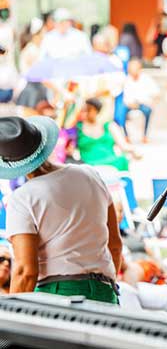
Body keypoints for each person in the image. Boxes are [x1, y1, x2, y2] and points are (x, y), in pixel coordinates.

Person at [1, 116, 122, 304]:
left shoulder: (22, 198)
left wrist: (11, 320)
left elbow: (26, 271)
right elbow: (115, 244)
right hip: (104, 290)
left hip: (57, 294)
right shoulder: (90, 174)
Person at [77, 98, 138, 171]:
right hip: (89, 164)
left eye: (89, 110)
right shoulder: (78, 127)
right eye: (84, 110)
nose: (85, 113)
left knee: (122, 161)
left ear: (96, 111)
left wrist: (134, 151)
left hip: (111, 162)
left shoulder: (109, 126)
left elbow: (123, 146)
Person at [122, 58, 159, 142]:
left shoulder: (146, 79)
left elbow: (156, 92)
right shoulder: (127, 79)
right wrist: (131, 103)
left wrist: (152, 102)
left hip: (143, 104)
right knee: (121, 112)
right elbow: (126, 96)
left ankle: (145, 136)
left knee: (147, 110)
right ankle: (126, 136)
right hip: (129, 104)